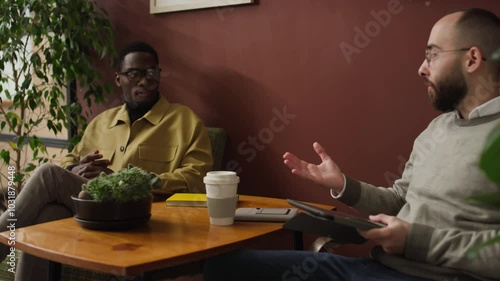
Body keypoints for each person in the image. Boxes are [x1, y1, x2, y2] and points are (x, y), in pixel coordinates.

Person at [203, 8, 500, 281]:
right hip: (377, 268)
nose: (422, 68)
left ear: (472, 59)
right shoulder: (438, 127)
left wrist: (415, 241)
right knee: (226, 266)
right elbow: (400, 200)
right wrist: (344, 185)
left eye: (432, 55)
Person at [0, 41, 213, 280]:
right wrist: (74, 167)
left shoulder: (186, 121)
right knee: (47, 216)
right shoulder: (102, 122)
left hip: (142, 212)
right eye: (134, 74)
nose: (143, 81)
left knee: (48, 175)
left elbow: (196, 179)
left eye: (150, 73)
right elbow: (71, 157)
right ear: (118, 79)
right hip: (91, 209)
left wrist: (124, 181)